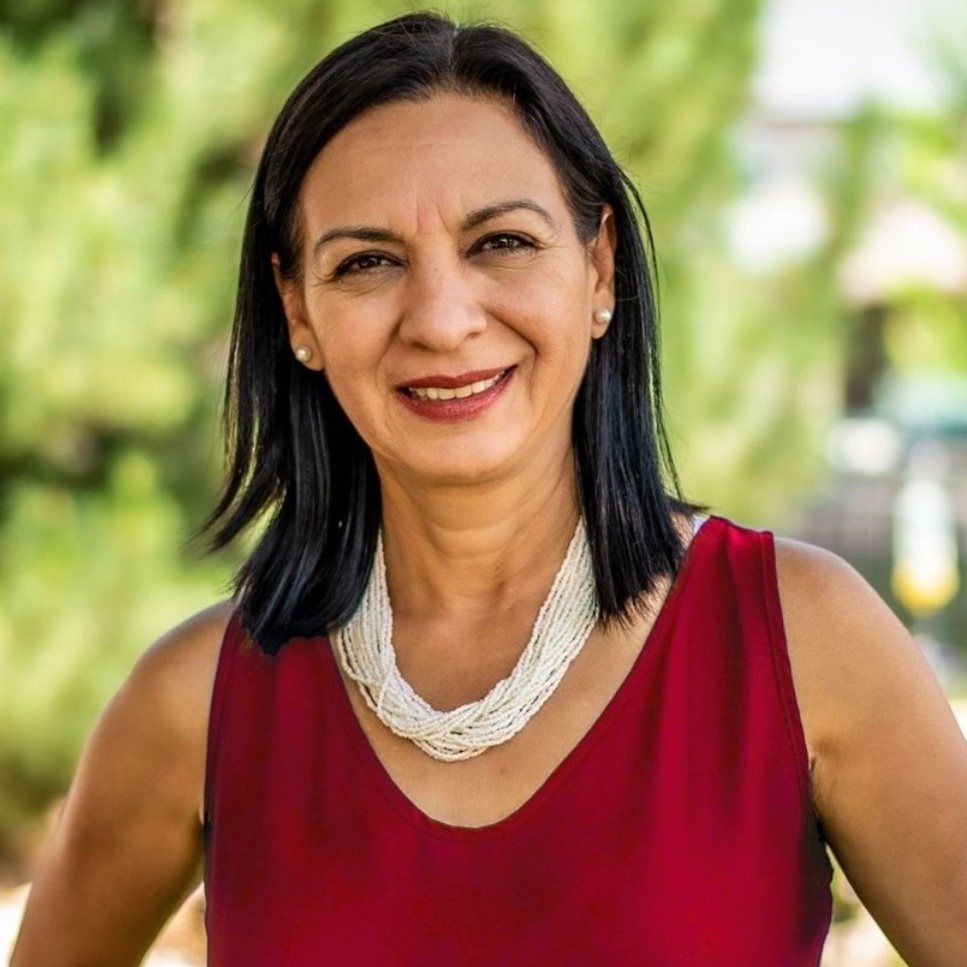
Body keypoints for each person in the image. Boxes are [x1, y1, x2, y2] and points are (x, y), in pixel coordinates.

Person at [12, 12, 967, 966]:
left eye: (500, 242)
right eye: (367, 262)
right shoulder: (196, 702)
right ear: (297, 309)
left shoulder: (800, 642)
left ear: (598, 269)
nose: (441, 319)